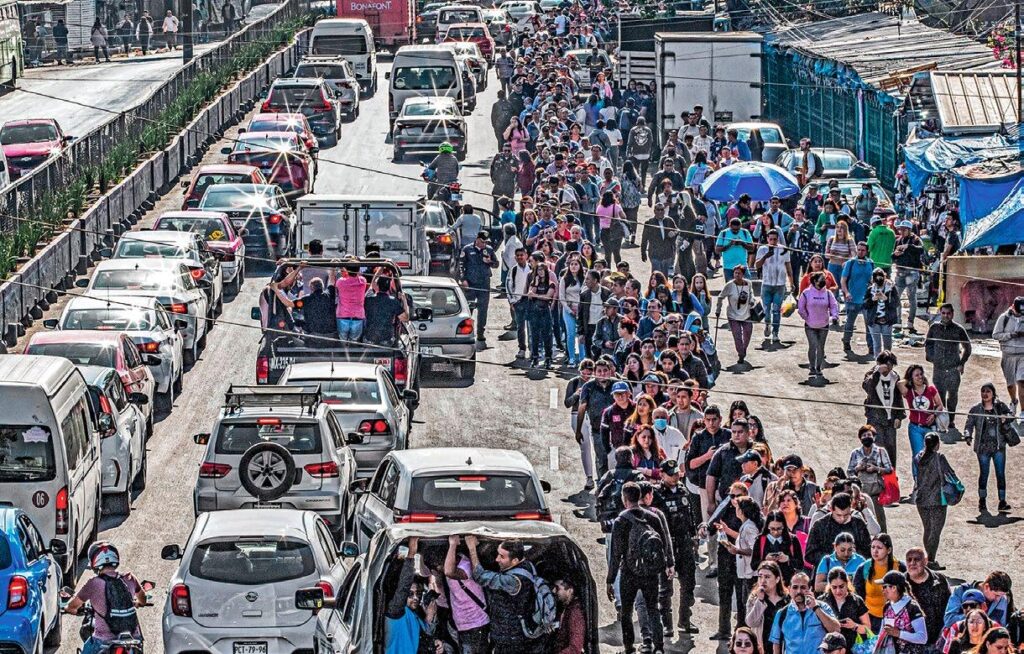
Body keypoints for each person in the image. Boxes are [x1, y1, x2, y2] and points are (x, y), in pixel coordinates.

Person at [608, 481, 674, 654]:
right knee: (653, 609)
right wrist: (668, 563)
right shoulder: (652, 517)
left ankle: (629, 647)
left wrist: (610, 580)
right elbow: (664, 543)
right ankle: (658, 647)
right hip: (650, 572)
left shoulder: (621, 520)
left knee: (627, 613)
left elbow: (615, 554)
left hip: (629, 572)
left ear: (624, 498)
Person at [465, 536, 547, 654]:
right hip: (514, 637)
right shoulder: (527, 565)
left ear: (515, 561)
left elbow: (480, 576)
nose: (497, 559)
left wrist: (472, 548)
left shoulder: (513, 581)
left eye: (502, 556)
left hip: (510, 640)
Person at [65, 542, 146, 654]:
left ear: (94, 562)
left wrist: (69, 609)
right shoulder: (130, 578)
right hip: (132, 640)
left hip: (104, 641)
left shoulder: (93, 584)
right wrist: (138, 603)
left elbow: (72, 606)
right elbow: (143, 599)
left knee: (87, 647)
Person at [652, 459, 700, 635]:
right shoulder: (656, 494)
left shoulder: (683, 490)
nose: (675, 477)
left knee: (688, 583)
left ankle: (685, 620)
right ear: (662, 474)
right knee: (665, 588)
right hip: (667, 544)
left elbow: (690, 515)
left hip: (684, 542)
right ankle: (666, 624)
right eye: (670, 474)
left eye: (676, 473)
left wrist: (694, 536)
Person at [964, 382, 1015, 514]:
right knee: (984, 474)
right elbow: (969, 424)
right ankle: (982, 500)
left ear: (993, 393)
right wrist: (968, 435)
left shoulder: (1000, 407)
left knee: (1000, 474)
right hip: (983, 449)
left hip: (998, 447)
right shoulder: (976, 409)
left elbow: (1011, 415)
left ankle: (1002, 501)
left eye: (988, 391)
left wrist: (1006, 418)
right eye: (983, 391)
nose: (985, 394)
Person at [924, 304, 972, 431]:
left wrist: (962, 363)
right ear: (940, 313)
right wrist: (931, 357)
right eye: (943, 313)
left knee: (952, 396)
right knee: (939, 395)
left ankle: (951, 420)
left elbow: (968, 347)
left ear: (952, 314)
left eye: (948, 313)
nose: (946, 316)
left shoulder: (958, 329)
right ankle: (941, 420)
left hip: (953, 369)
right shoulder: (934, 328)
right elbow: (928, 344)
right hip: (938, 368)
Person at [769, 571, 841, 654]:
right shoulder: (782, 614)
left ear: (810, 589)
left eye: (803, 587)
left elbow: (836, 630)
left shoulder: (822, 607)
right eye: (795, 587)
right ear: (789, 589)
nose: (799, 591)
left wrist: (816, 608)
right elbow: (776, 644)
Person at [439, 536, 490, 654]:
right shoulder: (454, 564)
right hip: (465, 626)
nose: (441, 566)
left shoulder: (465, 566)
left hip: (476, 625)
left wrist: (452, 544)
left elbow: (449, 571)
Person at [913, 432, 954, 569]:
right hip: (937, 499)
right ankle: (931, 560)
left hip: (921, 498)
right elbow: (950, 473)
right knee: (935, 532)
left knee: (927, 529)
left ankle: (929, 559)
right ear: (937, 444)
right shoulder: (939, 458)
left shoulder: (918, 457)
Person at [898, 364, 944, 478]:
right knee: (917, 455)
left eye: (921, 374)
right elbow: (899, 383)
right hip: (915, 428)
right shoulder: (908, 391)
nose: (920, 377)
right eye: (916, 375)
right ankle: (917, 481)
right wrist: (910, 379)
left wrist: (934, 414)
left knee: (931, 454)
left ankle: (929, 479)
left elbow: (940, 406)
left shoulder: (931, 389)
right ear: (911, 378)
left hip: (930, 428)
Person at [805, 493, 871, 571]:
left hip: (854, 571)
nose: (842, 518)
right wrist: (833, 557)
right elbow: (809, 554)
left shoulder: (858, 524)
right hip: (827, 571)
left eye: (846, 515)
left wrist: (854, 554)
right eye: (838, 515)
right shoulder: (820, 525)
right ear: (831, 510)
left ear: (851, 509)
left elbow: (868, 550)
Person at [862, 351, 906, 467]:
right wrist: (877, 374)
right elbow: (867, 388)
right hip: (875, 418)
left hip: (890, 419)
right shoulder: (871, 375)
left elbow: (898, 397)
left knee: (891, 448)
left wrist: (899, 416)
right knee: (877, 447)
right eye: (887, 364)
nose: (889, 368)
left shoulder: (895, 376)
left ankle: (891, 475)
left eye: (891, 365)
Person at [853, 534, 906, 631]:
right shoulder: (864, 568)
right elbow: (857, 596)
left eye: (879, 548)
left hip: (895, 617)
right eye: (873, 547)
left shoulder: (900, 568)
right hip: (870, 617)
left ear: (889, 550)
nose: (875, 551)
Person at [847, 425, 893, 532]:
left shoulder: (880, 451)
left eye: (869, 435)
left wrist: (875, 468)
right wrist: (858, 468)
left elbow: (889, 469)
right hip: (861, 494)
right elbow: (849, 471)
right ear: (860, 438)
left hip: (875, 493)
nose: (867, 437)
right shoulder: (856, 453)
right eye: (864, 435)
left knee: (879, 522)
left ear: (874, 437)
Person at [903, 547, 950, 649]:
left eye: (917, 559)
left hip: (937, 641)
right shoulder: (900, 585)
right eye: (909, 559)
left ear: (925, 561)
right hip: (910, 644)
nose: (912, 563)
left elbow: (949, 609)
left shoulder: (940, 580)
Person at [798, 272, 839, 380]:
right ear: (815, 281)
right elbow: (801, 307)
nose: (823, 282)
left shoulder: (828, 293)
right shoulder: (806, 293)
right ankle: (812, 366)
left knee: (821, 346)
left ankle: (818, 367)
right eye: (821, 279)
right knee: (813, 345)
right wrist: (806, 317)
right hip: (810, 325)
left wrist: (834, 316)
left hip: (824, 325)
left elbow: (834, 305)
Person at [459, 232, 499, 344]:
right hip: (471, 283)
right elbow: (461, 265)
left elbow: (496, 264)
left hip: (484, 283)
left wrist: (490, 261)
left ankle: (481, 332)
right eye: (482, 241)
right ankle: (466, 330)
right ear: (477, 239)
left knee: (483, 309)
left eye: (486, 242)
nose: (484, 244)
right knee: (469, 308)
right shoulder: (467, 249)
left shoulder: (489, 250)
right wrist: (463, 279)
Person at [756, 229, 794, 344]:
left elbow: (788, 266)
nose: (772, 241)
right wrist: (766, 256)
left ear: (778, 239)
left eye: (775, 239)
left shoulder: (783, 250)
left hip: (780, 285)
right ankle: (767, 323)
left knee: (776, 310)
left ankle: (775, 332)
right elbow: (756, 265)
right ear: (767, 239)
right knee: (767, 310)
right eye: (770, 239)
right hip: (767, 284)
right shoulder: (762, 249)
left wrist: (791, 283)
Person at [820, 568, 871, 652]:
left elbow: (868, 629)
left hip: (852, 648)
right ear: (829, 586)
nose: (838, 591)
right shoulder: (822, 601)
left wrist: (854, 626)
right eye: (834, 587)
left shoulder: (856, 601)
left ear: (847, 583)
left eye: (841, 586)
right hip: (830, 650)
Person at [878, 571, 929, 653]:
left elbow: (922, 638)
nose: (882, 590)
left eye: (884, 587)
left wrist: (898, 634)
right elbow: (881, 632)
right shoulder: (887, 607)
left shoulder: (912, 608)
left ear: (894, 588)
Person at [991, 296, 1024, 417]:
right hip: (1008, 355)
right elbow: (996, 335)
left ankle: (1023, 411)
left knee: (1022, 381)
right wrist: (1011, 335)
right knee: (1011, 384)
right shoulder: (1004, 318)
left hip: (1022, 355)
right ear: (1013, 308)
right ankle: (1013, 401)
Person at [751, 511, 805, 584]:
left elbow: (800, 564)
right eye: (772, 529)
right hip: (766, 584)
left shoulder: (792, 539)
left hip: (787, 582)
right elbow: (753, 565)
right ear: (767, 527)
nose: (776, 532)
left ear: (784, 526)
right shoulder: (760, 540)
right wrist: (765, 560)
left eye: (779, 528)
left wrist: (788, 559)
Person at [717, 265, 755, 365]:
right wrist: (718, 309)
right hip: (733, 314)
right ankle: (741, 354)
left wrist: (751, 301)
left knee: (748, 332)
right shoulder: (729, 285)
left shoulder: (748, 283)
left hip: (746, 313)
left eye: (739, 273)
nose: (737, 275)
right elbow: (720, 297)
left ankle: (744, 349)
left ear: (743, 274)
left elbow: (751, 294)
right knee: (737, 335)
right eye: (735, 273)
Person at [840, 242, 874, 353]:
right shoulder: (851, 263)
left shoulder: (870, 263)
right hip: (852, 299)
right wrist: (846, 292)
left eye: (863, 250)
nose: (860, 252)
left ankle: (871, 346)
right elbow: (843, 280)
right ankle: (846, 341)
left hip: (866, 300)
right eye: (859, 250)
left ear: (866, 251)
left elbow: (872, 280)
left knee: (869, 325)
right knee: (849, 323)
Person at [747, 561, 788, 651]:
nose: (762, 581)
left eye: (767, 577)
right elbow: (751, 623)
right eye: (760, 576)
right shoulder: (754, 598)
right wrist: (760, 600)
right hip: (763, 646)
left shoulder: (787, 599)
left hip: (783, 646)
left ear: (777, 579)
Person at [363, 275, 408, 345]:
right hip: (387, 340)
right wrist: (404, 300)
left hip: (369, 340)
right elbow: (405, 318)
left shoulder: (368, 300)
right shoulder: (393, 302)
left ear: (377, 286)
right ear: (389, 287)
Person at [550, 578, 585, 654]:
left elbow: (575, 647)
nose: (554, 591)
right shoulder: (566, 608)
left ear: (570, 590)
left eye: (557, 588)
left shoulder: (575, 612)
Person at [334, 264, 367, 342]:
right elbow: (358, 275)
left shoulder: (340, 282)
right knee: (354, 342)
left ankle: (343, 353)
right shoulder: (363, 281)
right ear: (358, 270)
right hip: (358, 316)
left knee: (342, 340)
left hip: (343, 315)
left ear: (347, 270)